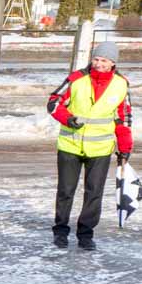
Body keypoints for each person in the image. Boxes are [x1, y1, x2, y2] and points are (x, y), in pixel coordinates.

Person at [47, 42, 133, 250]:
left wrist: (125, 147)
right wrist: (67, 119)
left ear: (113, 63)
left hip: (101, 149)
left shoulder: (121, 84)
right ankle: (60, 231)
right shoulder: (77, 78)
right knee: (66, 190)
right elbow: (53, 102)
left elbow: (124, 118)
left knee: (94, 192)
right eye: (96, 59)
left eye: (104, 60)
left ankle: (85, 234)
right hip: (70, 145)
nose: (98, 63)